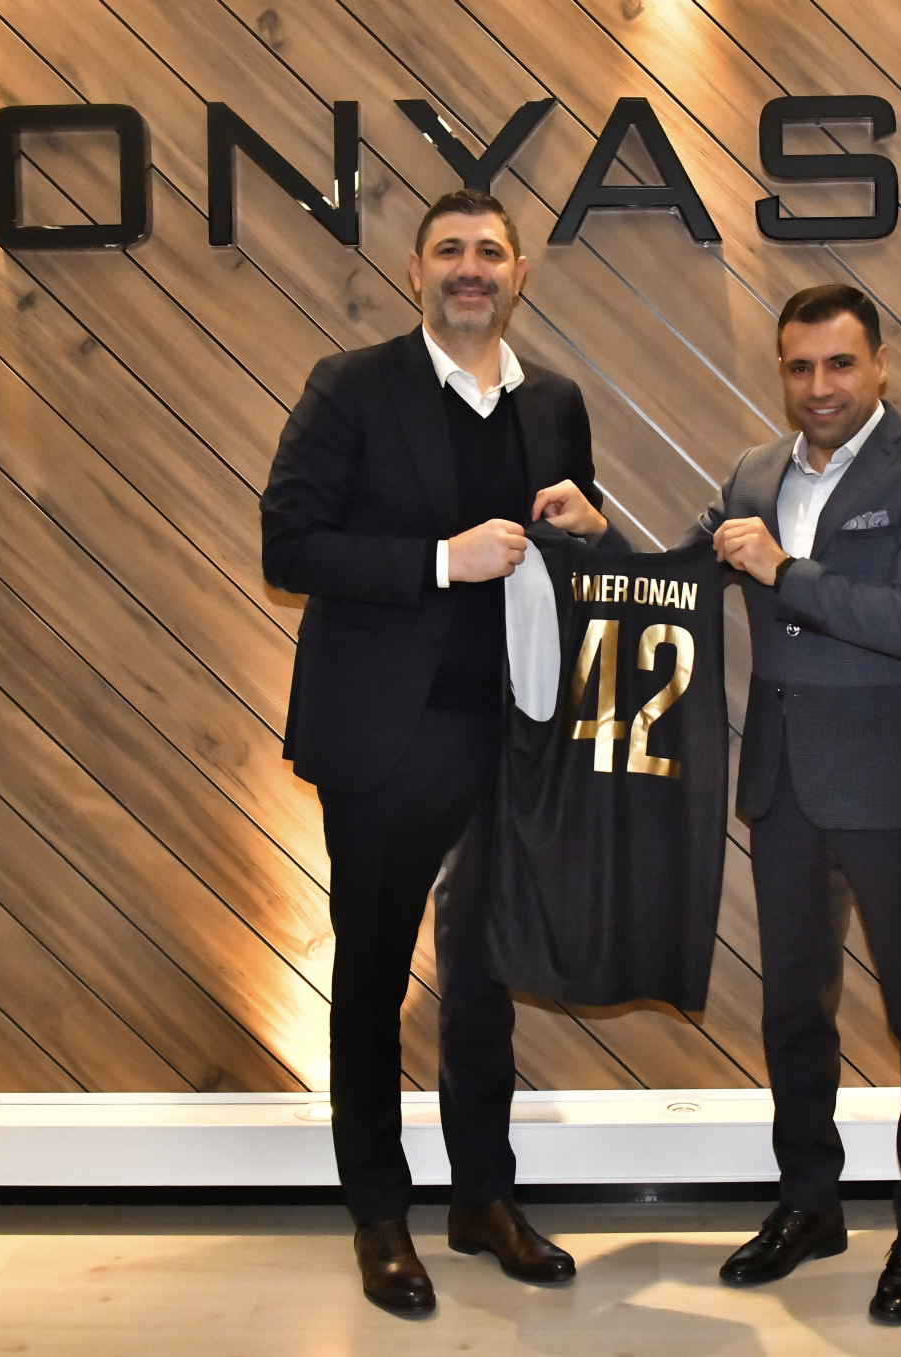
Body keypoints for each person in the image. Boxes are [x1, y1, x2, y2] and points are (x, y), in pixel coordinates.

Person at [261, 189, 624, 1316]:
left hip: (514, 734)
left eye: (490, 252)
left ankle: (481, 1198)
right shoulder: (351, 385)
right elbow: (289, 544)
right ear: (415, 271)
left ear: (520, 274)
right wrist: (437, 560)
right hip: (386, 737)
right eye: (450, 251)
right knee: (372, 978)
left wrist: (592, 529)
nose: (472, 268)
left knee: (482, 982)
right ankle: (378, 1213)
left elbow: (571, 556)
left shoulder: (554, 402)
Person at [691, 284, 901, 1323]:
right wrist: (595, 534)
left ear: (880, 364)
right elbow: (688, 566)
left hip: (896, 784)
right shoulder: (752, 471)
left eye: (840, 363)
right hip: (784, 786)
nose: (820, 385)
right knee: (792, 1010)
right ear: (783, 370)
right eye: (800, 366)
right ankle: (809, 1203)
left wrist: (784, 568)